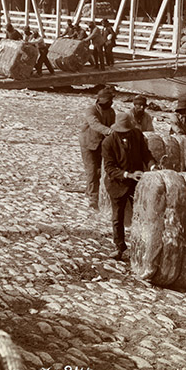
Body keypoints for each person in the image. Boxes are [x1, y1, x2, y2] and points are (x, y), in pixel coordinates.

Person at [101, 113, 151, 261]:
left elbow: (145, 154)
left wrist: (153, 166)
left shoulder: (136, 134)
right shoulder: (108, 143)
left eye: (127, 132)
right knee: (118, 217)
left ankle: (143, 246)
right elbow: (109, 168)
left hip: (136, 183)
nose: (126, 134)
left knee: (142, 214)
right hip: (117, 184)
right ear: (116, 130)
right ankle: (119, 247)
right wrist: (128, 175)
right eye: (123, 132)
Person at [78, 87, 116, 211]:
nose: (112, 103)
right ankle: (92, 198)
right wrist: (110, 131)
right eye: (110, 100)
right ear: (103, 101)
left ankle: (92, 191)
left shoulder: (111, 112)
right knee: (92, 170)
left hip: (101, 144)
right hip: (88, 143)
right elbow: (94, 124)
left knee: (100, 170)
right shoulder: (91, 110)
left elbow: (113, 125)